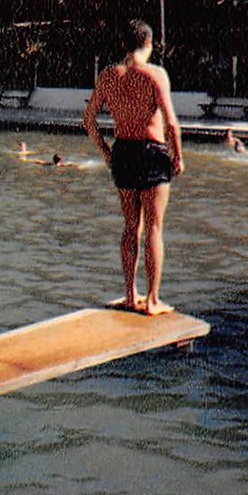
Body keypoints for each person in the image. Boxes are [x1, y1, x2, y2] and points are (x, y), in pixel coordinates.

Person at [82, 20, 184, 316]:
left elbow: (88, 120)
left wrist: (105, 151)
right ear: (149, 44)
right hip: (152, 153)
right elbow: (172, 123)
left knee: (131, 227)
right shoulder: (155, 74)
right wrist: (178, 157)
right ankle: (152, 300)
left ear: (123, 45)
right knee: (153, 227)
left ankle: (130, 295)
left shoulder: (108, 75)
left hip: (123, 152)